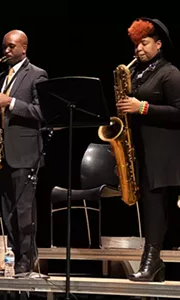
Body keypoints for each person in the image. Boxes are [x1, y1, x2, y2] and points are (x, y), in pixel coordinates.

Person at [116, 18, 180, 282]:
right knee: (149, 208)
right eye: (136, 44)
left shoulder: (170, 73)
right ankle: (154, 265)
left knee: (156, 209)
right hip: (142, 151)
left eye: (144, 43)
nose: (138, 49)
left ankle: (152, 263)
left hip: (164, 153)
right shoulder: (140, 72)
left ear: (158, 44)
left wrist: (141, 107)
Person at [0, 29, 48, 275]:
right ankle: (13, 258)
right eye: (4, 46)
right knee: (8, 210)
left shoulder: (37, 75)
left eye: (11, 46)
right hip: (4, 153)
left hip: (25, 152)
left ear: (24, 48)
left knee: (24, 211)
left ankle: (27, 258)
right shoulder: (2, 76)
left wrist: (10, 103)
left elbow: (43, 112)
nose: (6, 50)